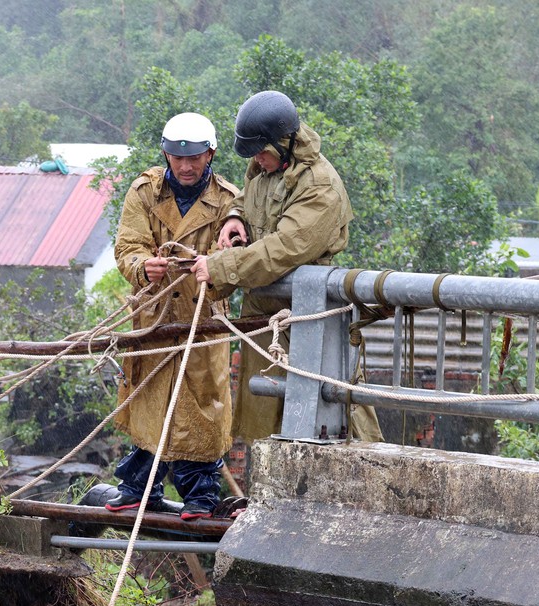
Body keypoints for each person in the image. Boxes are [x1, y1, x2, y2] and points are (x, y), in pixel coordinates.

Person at [192, 90, 383, 443]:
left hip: (309, 316)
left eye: (261, 153)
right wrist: (235, 218)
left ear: (284, 142)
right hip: (266, 317)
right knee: (264, 412)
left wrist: (221, 268)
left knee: (330, 409)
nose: (257, 161)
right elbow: (250, 199)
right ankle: (266, 494)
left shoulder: (319, 186)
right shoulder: (268, 166)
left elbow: (284, 249)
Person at [106, 112, 239, 521]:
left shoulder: (229, 201)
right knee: (150, 399)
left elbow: (235, 260)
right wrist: (143, 266)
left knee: (202, 408)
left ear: (210, 154)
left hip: (203, 321)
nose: (185, 166)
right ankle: (136, 488)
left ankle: (201, 496)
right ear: (165, 154)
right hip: (154, 321)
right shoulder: (144, 191)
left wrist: (211, 269)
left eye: (195, 158)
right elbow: (128, 245)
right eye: (177, 158)